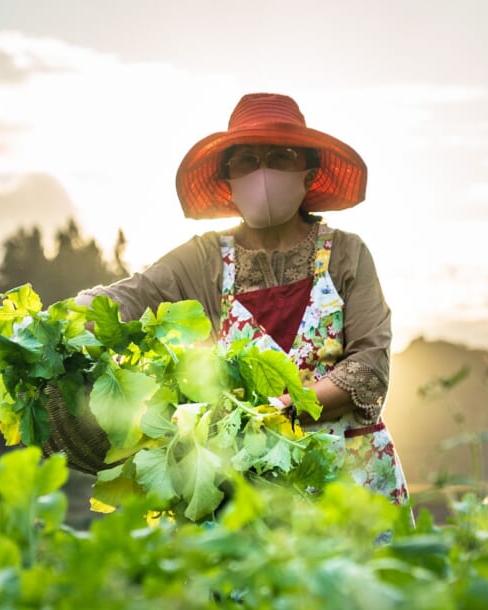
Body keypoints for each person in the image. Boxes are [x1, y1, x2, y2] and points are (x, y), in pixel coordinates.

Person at [75, 92, 409, 506]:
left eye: (281, 156)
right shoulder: (203, 260)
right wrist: (44, 323)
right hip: (253, 486)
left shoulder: (346, 253)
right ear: (228, 181)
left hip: (351, 480)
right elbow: (127, 298)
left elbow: (369, 364)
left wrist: (282, 410)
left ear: (308, 173)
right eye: (247, 160)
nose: (263, 172)